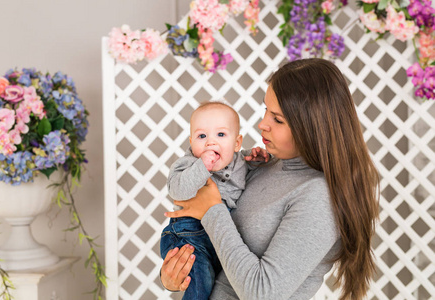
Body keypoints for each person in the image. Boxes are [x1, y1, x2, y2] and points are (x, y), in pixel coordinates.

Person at [160, 58, 380, 300]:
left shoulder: (319, 197)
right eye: (266, 109)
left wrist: (212, 209)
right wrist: (177, 277)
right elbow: (224, 257)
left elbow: (262, 293)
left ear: (311, 126)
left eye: (278, 119)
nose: (262, 124)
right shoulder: (260, 166)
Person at [160, 101, 268, 300]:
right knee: (202, 283)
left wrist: (258, 157)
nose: (211, 142)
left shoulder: (240, 161)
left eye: (220, 135)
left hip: (216, 239)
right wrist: (202, 167)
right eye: (202, 136)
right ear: (191, 142)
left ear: (236, 143)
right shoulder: (188, 163)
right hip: (189, 236)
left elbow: (250, 166)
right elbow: (177, 190)